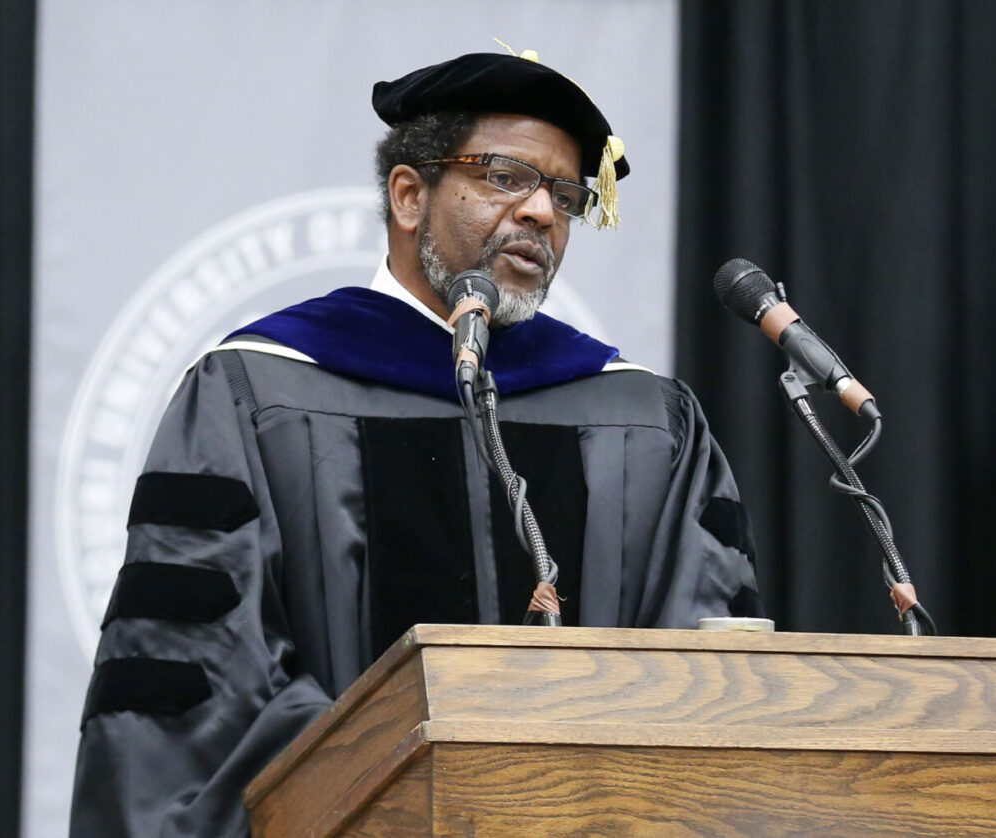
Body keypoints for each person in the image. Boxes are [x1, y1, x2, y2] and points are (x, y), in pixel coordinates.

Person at [70, 50, 762, 837]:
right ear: (408, 196)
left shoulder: (642, 415)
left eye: (564, 194)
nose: (541, 211)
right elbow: (199, 682)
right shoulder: (257, 391)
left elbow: (701, 668)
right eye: (506, 176)